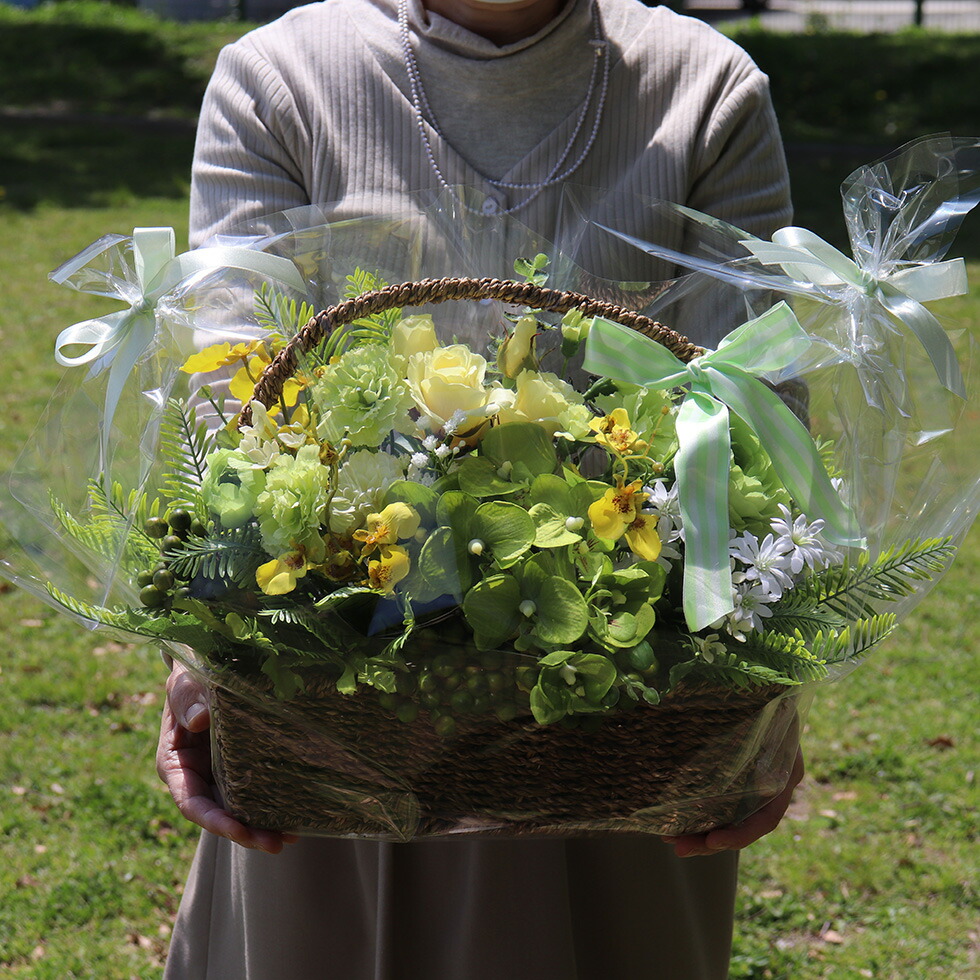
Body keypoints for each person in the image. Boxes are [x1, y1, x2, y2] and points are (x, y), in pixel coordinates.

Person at [159, 2, 804, 977]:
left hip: (626, 712)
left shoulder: (704, 90)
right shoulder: (282, 78)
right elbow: (232, 405)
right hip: (336, 697)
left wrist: (765, 678)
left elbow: (757, 421)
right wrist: (206, 649)